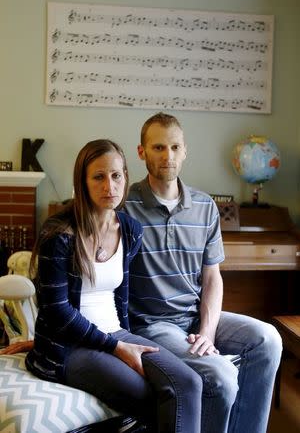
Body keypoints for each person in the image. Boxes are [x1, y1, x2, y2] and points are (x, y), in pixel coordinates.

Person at [22, 139, 202, 433]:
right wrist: (117, 348)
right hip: (71, 347)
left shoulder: (131, 230)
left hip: (116, 333)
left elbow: (121, 294)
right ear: (82, 181)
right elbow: (56, 311)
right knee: (144, 393)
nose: (110, 186)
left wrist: (126, 340)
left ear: (125, 177)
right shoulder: (59, 232)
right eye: (98, 177)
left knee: (189, 383)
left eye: (116, 176)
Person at [124, 112, 282, 433]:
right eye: (157, 148)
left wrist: (207, 332)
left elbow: (212, 278)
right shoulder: (125, 206)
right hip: (154, 326)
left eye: (174, 147)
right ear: (141, 152)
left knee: (269, 340)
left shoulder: (205, 206)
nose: (167, 156)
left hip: (195, 318)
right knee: (221, 375)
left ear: (185, 151)